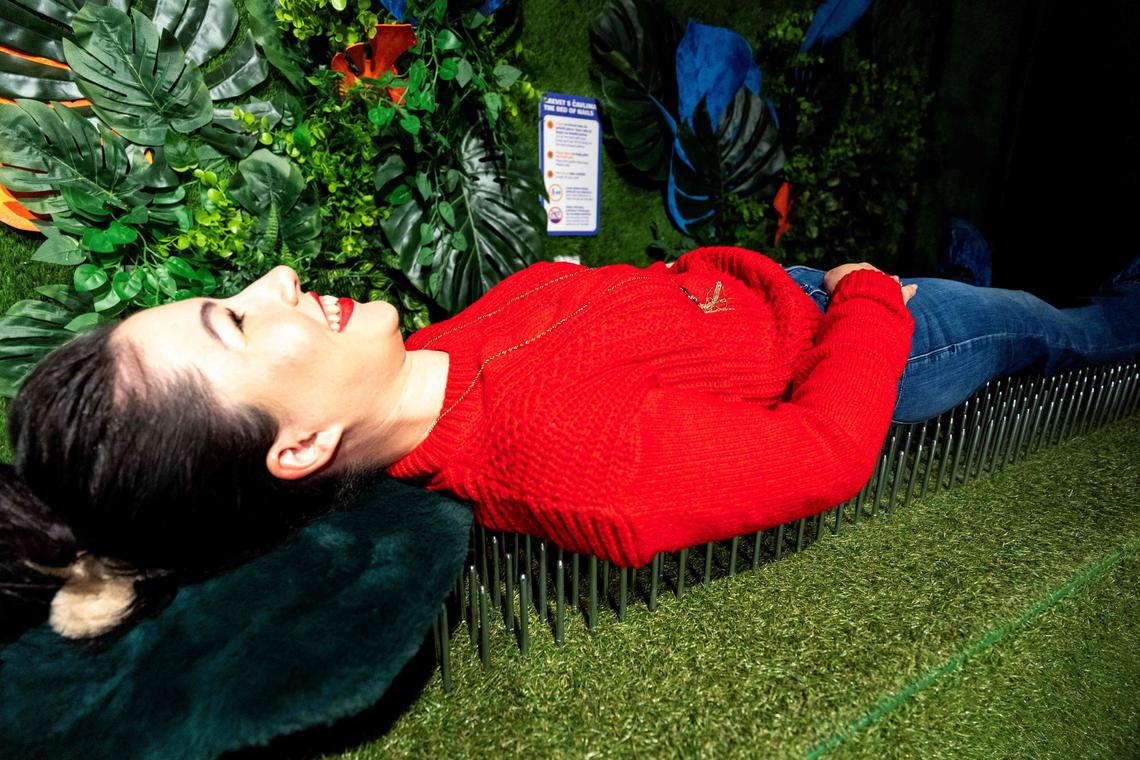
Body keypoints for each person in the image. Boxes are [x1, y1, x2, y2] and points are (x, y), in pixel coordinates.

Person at [2, 246, 1138, 642]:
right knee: (1075, 331)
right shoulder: (569, 462)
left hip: (798, 298)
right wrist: (876, 303)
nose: (279, 282)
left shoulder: (428, 354)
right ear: (297, 447)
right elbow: (827, 455)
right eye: (243, 323)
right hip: (883, 337)